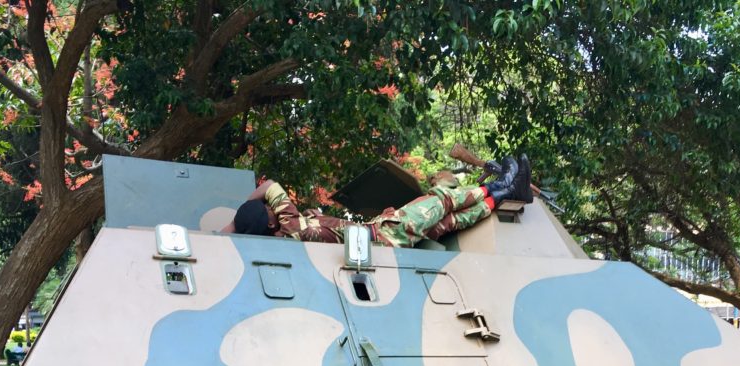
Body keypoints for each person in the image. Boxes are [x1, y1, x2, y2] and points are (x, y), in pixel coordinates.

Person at [227, 155, 532, 247]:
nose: (272, 209)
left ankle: (506, 194)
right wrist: (230, 227)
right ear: (271, 223)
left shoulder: (290, 235)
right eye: (268, 211)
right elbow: (270, 185)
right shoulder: (290, 227)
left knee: (450, 222)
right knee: (440, 202)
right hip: (386, 234)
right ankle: (501, 184)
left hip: (383, 239)